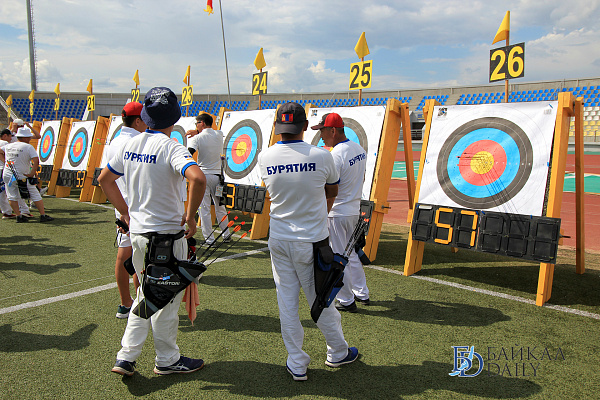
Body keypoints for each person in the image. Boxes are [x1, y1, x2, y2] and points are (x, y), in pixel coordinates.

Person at [99, 87, 207, 377]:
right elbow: (197, 177)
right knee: (166, 299)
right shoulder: (171, 146)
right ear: (176, 116)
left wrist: (126, 212)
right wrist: (191, 216)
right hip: (167, 238)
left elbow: (104, 180)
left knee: (146, 294)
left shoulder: (127, 144)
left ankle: (126, 357)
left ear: (145, 116)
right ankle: (167, 360)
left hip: (139, 236)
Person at [257, 102, 358, 382]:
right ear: (304, 127)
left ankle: (296, 361)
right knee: (322, 298)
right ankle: (337, 351)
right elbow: (332, 190)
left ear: (278, 127)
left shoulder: (265, 157)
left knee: (286, 301)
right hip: (312, 241)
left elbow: (270, 189)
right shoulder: (322, 156)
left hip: (279, 239)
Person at [312, 113, 370, 313]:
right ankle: (362, 293)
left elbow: (330, 189)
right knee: (351, 254)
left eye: (322, 131)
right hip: (353, 210)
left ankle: (346, 300)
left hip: (337, 213)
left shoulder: (335, 155)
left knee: (337, 258)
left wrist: (322, 214)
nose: (321, 137)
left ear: (333, 130)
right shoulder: (359, 149)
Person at [104, 102, 146, 319]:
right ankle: (140, 303)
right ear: (137, 120)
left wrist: (122, 210)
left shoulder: (114, 140)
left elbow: (106, 179)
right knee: (140, 257)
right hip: (136, 207)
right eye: (145, 118)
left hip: (121, 205)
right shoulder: (136, 142)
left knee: (125, 255)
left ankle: (125, 303)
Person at [186, 113, 230, 244]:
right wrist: (197, 131)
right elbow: (212, 132)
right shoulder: (219, 134)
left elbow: (188, 154)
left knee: (204, 208)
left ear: (202, 123)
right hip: (218, 179)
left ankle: (209, 239)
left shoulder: (197, 138)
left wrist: (196, 133)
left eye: (197, 123)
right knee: (220, 206)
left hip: (204, 178)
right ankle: (226, 235)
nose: (196, 126)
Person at [0, 127, 53, 223]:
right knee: (35, 194)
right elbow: (36, 160)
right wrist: (32, 173)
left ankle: (19, 216)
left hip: (8, 174)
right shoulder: (28, 147)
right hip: (23, 175)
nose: (29, 139)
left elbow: (0, 151)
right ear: (24, 137)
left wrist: (5, 162)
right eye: (28, 137)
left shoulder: (8, 146)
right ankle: (43, 215)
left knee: (11, 195)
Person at [0, 129, 16, 219]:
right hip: (2, 169)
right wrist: (6, 163)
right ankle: (7, 212)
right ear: (5, 135)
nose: (11, 139)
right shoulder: (4, 143)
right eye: (10, 136)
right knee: (5, 191)